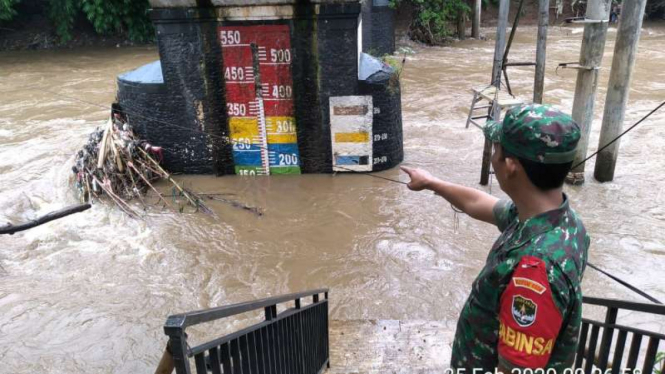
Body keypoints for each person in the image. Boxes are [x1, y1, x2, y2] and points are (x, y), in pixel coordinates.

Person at [401, 104, 590, 372]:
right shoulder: (559, 220)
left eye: (497, 149)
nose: (493, 156)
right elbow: (480, 202)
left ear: (511, 165)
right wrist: (431, 183)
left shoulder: (535, 271)